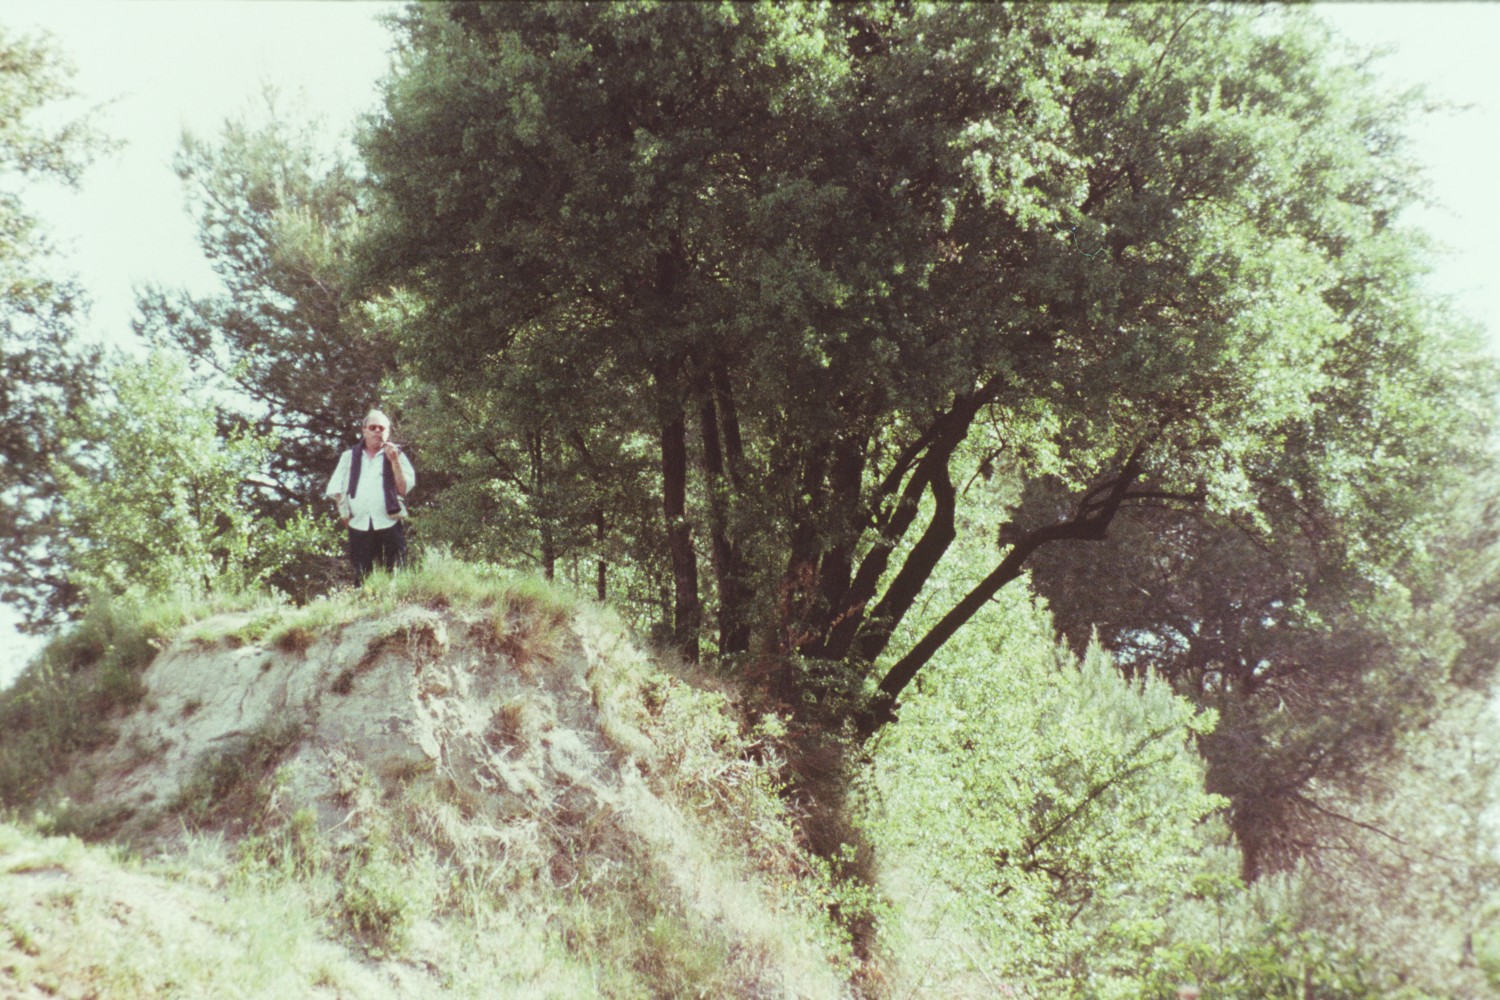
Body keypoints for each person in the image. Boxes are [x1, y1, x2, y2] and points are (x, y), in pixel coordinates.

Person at [325, 408, 416, 585]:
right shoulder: (349, 456)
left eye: (381, 428)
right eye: (373, 427)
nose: (377, 431)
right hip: (359, 524)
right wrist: (344, 513)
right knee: (363, 576)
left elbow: (403, 489)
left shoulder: (396, 455)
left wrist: (394, 461)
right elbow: (336, 488)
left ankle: (394, 608)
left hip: (388, 521)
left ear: (388, 432)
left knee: (396, 573)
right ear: (364, 430)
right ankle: (366, 609)